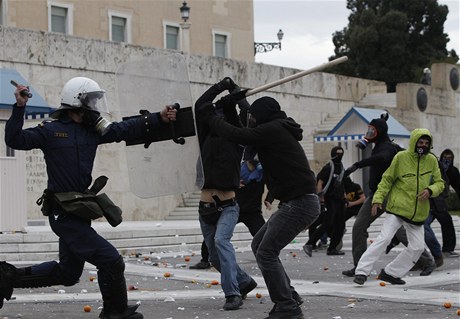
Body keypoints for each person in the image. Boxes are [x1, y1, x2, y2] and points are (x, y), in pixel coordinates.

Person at [1, 77, 178, 318]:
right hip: (63, 215)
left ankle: (5, 278)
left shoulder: (91, 132)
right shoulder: (50, 131)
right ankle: (115, 313)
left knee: (68, 273)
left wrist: (159, 117)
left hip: (79, 213)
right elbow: (14, 140)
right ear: (77, 101)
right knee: (112, 261)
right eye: (92, 100)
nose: (95, 106)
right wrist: (19, 107)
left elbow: (124, 129)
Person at [199, 95, 320, 319]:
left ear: (262, 116)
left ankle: (286, 306)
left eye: (254, 116)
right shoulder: (277, 127)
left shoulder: (273, 130)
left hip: (300, 203)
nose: (251, 120)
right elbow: (248, 123)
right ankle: (288, 297)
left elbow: (238, 134)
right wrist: (237, 102)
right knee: (259, 245)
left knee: (266, 252)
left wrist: (210, 117)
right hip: (296, 202)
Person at [194, 78, 257, 311]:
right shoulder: (204, 136)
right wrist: (222, 86)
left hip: (228, 205)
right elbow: (200, 105)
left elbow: (247, 113)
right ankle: (244, 281)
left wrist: (235, 94)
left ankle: (232, 293)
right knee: (213, 258)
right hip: (205, 208)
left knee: (222, 241)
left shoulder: (236, 135)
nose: (217, 117)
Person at [353, 129, 444, 285]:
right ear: (414, 142)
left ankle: (390, 273)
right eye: (421, 142)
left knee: (417, 248)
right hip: (397, 208)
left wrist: (430, 190)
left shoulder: (431, 160)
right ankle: (361, 271)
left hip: (418, 214)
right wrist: (378, 199)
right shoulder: (401, 158)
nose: (423, 145)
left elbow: (440, 183)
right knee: (385, 238)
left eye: (426, 143)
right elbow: (387, 179)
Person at [341, 115, 401, 277]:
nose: (368, 133)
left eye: (372, 130)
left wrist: (357, 165)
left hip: (387, 194)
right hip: (376, 194)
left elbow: (381, 158)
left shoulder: (387, 147)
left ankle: (427, 260)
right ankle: (360, 266)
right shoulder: (379, 145)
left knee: (401, 231)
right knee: (359, 227)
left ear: (379, 132)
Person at [303, 146, 346, 257]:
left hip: (340, 200)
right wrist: (320, 198)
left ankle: (332, 248)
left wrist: (344, 197)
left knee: (340, 225)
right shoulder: (328, 168)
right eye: (338, 153)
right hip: (329, 199)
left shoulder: (341, 168)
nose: (340, 156)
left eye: (341, 153)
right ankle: (310, 243)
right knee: (327, 223)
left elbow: (342, 184)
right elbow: (320, 182)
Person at [437, 149, 460, 257]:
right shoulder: (435, 168)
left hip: (440, 201)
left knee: (447, 222)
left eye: (449, 159)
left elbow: (458, 187)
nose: (447, 161)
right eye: (445, 158)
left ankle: (447, 248)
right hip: (429, 199)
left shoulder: (453, 171)